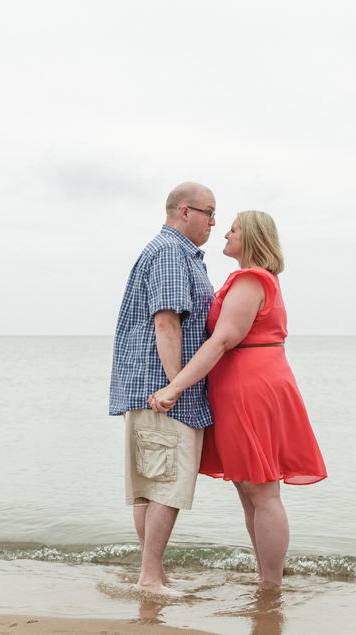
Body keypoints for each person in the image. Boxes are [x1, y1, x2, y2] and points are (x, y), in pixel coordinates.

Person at [148, 209, 327, 590]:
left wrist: (174, 386)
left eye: (233, 229)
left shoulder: (250, 279)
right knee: (251, 490)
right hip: (249, 381)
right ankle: (266, 578)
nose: (224, 233)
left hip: (250, 385)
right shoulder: (256, 279)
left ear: (253, 238)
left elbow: (223, 339)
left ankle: (272, 582)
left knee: (262, 490)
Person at [109, 181, 217, 597]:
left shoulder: (166, 250)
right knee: (166, 486)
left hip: (149, 387)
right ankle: (150, 577)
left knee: (150, 487)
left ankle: (153, 571)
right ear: (184, 212)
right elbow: (167, 322)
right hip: (163, 390)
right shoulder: (172, 252)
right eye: (209, 212)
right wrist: (178, 386)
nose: (213, 222)